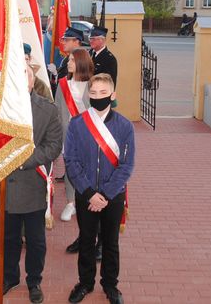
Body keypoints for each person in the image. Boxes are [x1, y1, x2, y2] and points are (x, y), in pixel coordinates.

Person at [0, 64, 63, 303]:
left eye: (26, 75)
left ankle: (34, 281)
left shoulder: (47, 110)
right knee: (8, 239)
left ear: (33, 80)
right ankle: (9, 277)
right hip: (4, 186)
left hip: (32, 184)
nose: (21, 80)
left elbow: (53, 146)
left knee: (36, 241)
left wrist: (20, 159)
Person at [64, 73, 135, 304]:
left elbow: (126, 166)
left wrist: (104, 194)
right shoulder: (77, 124)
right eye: (93, 93)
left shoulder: (124, 126)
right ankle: (85, 283)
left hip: (112, 196)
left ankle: (110, 285)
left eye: (103, 93)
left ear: (113, 95)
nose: (97, 97)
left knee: (110, 242)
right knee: (86, 240)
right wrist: (88, 192)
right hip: (86, 195)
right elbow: (71, 161)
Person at [56, 48, 94, 223]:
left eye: (72, 60)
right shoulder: (63, 84)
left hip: (89, 135)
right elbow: (57, 112)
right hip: (68, 135)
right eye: (69, 59)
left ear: (81, 62)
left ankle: (87, 199)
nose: (69, 63)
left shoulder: (94, 84)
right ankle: (71, 203)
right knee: (70, 170)